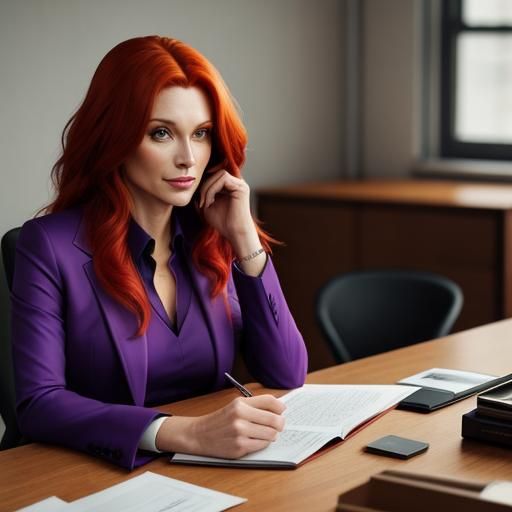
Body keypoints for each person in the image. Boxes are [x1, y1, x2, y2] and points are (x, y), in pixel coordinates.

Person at [11, 35, 307, 470]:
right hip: (95, 471)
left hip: (207, 470)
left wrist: (245, 240)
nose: (189, 158)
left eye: (202, 134)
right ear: (115, 138)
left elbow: (287, 373)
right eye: (162, 133)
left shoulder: (211, 239)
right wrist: (182, 432)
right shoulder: (49, 246)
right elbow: (39, 403)